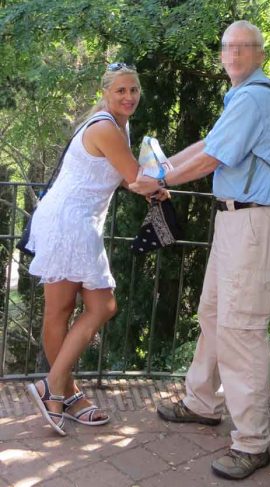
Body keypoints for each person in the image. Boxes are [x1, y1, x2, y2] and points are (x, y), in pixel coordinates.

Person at [130, 20, 270, 480]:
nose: (235, 54)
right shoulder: (240, 98)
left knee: (242, 330)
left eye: (245, 47)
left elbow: (212, 159)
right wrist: (163, 168)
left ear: (260, 55)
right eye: (228, 47)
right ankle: (202, 402)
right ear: (221, 55)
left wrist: (159, 179)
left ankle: (252, 442)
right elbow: (207, 145)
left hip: (253, 223)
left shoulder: (256, 98)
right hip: (236, 220)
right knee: (214, 314)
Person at [26, 62, 167, 436]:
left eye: (133, 90)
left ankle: (60, 392)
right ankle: (56, 388)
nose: (129, 97)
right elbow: (136, 177)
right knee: (90, 307)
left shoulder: (120, 125)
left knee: (71, 309)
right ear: (106, 92)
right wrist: (156, 184)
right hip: (69, 221)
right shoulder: (105, 126)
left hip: (76, 220)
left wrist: (147, 184)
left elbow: (120, 176)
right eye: (121, 90)